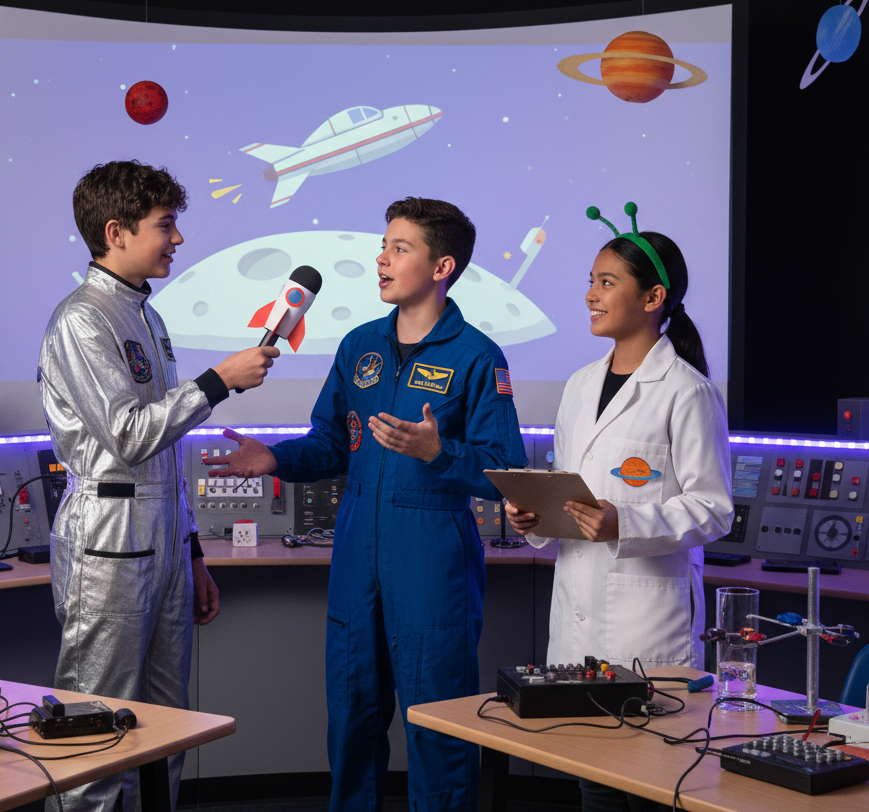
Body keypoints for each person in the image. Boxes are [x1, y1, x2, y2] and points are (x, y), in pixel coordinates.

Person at [204, 197, 526, 812]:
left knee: (438, 730)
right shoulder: (359, 347)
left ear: (442, 266)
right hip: (357, 557)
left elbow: (503, 471)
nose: (381, 258)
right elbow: (331, 441)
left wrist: (438, 451)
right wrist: (275, 458)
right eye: (383, 245)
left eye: (399, 248)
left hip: (432, 562)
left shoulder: (478, 357)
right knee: (351, 723)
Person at [37, 160, 278, 812]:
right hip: (110, 535)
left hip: (163, 535)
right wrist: (219, 382)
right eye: (165, 226)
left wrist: (192, 551)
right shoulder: (83, 320)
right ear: (116, 232)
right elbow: (130, 434)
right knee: (96, 723)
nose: (177, 239)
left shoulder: (146, 316)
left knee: (166, 722)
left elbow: (165, 454)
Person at [506, 201, 733, 812]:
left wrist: (623, 523)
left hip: (647, 625)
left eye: (607, 282)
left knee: (655, 779)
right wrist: (535, 518)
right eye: (590, 280)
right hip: (576, 611)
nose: (590, 295)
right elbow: (568, 486)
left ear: (653, 297)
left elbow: (714, 509)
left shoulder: (688, 392)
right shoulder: (578, 385)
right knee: (592, 778)